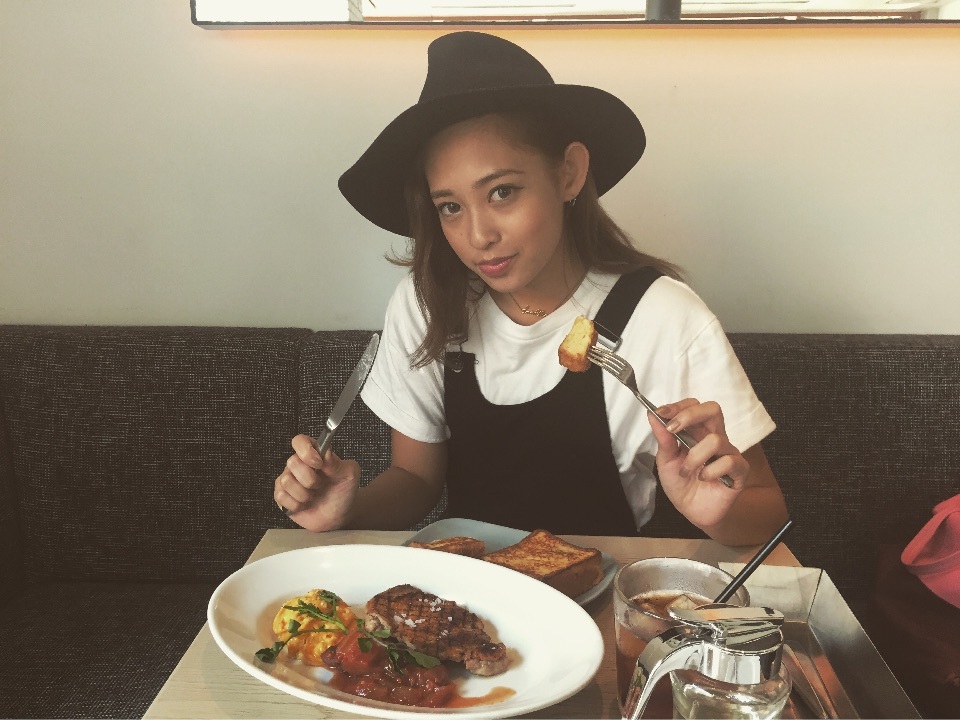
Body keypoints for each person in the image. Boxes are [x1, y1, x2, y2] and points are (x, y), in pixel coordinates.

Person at [274, 31, 788, 546]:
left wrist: (716, 511)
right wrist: (349, 509)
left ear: (569, 174)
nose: (478, 236)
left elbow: (767, 513)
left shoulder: (663, 318)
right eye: (450, 206)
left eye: (502, 192)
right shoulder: (429, 301)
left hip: (600, 588)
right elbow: (416, 478)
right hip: (464, 587)